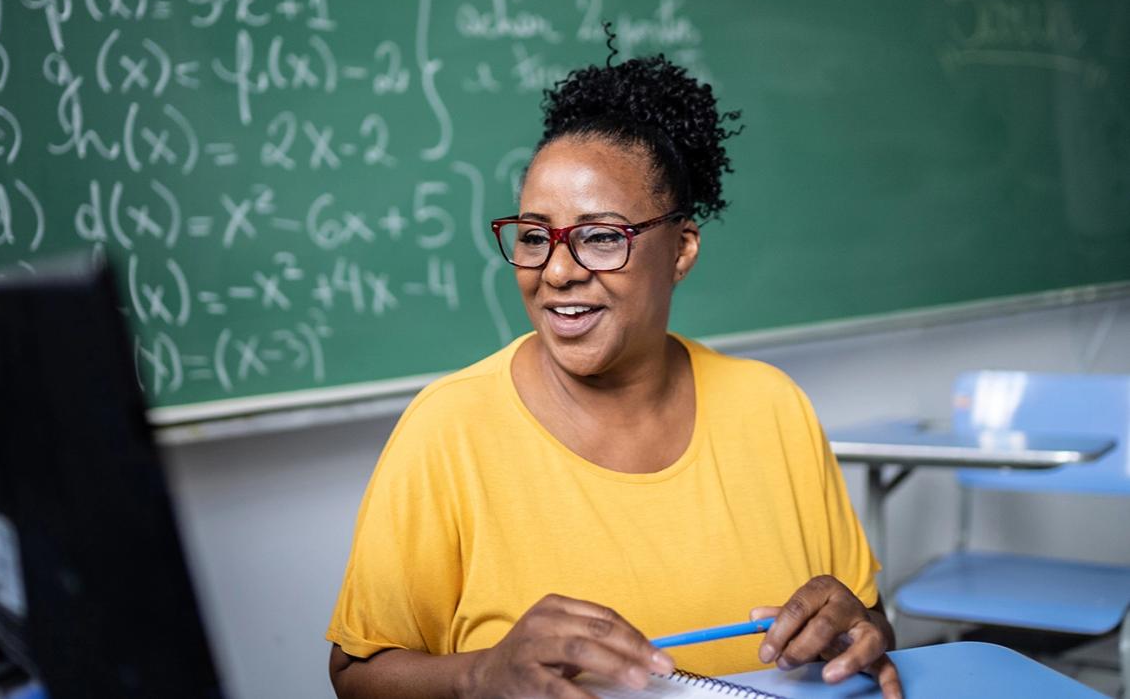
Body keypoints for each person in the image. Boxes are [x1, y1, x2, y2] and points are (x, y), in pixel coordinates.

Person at [327, 45, 901, 699]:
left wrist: (858, 628)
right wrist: (479, 672)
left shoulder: (772, 407)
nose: (558, 269)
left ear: (681, 249)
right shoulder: (448, 429)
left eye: (601, 236)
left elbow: (866, 623)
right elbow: (355, 677)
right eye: (535, 235)